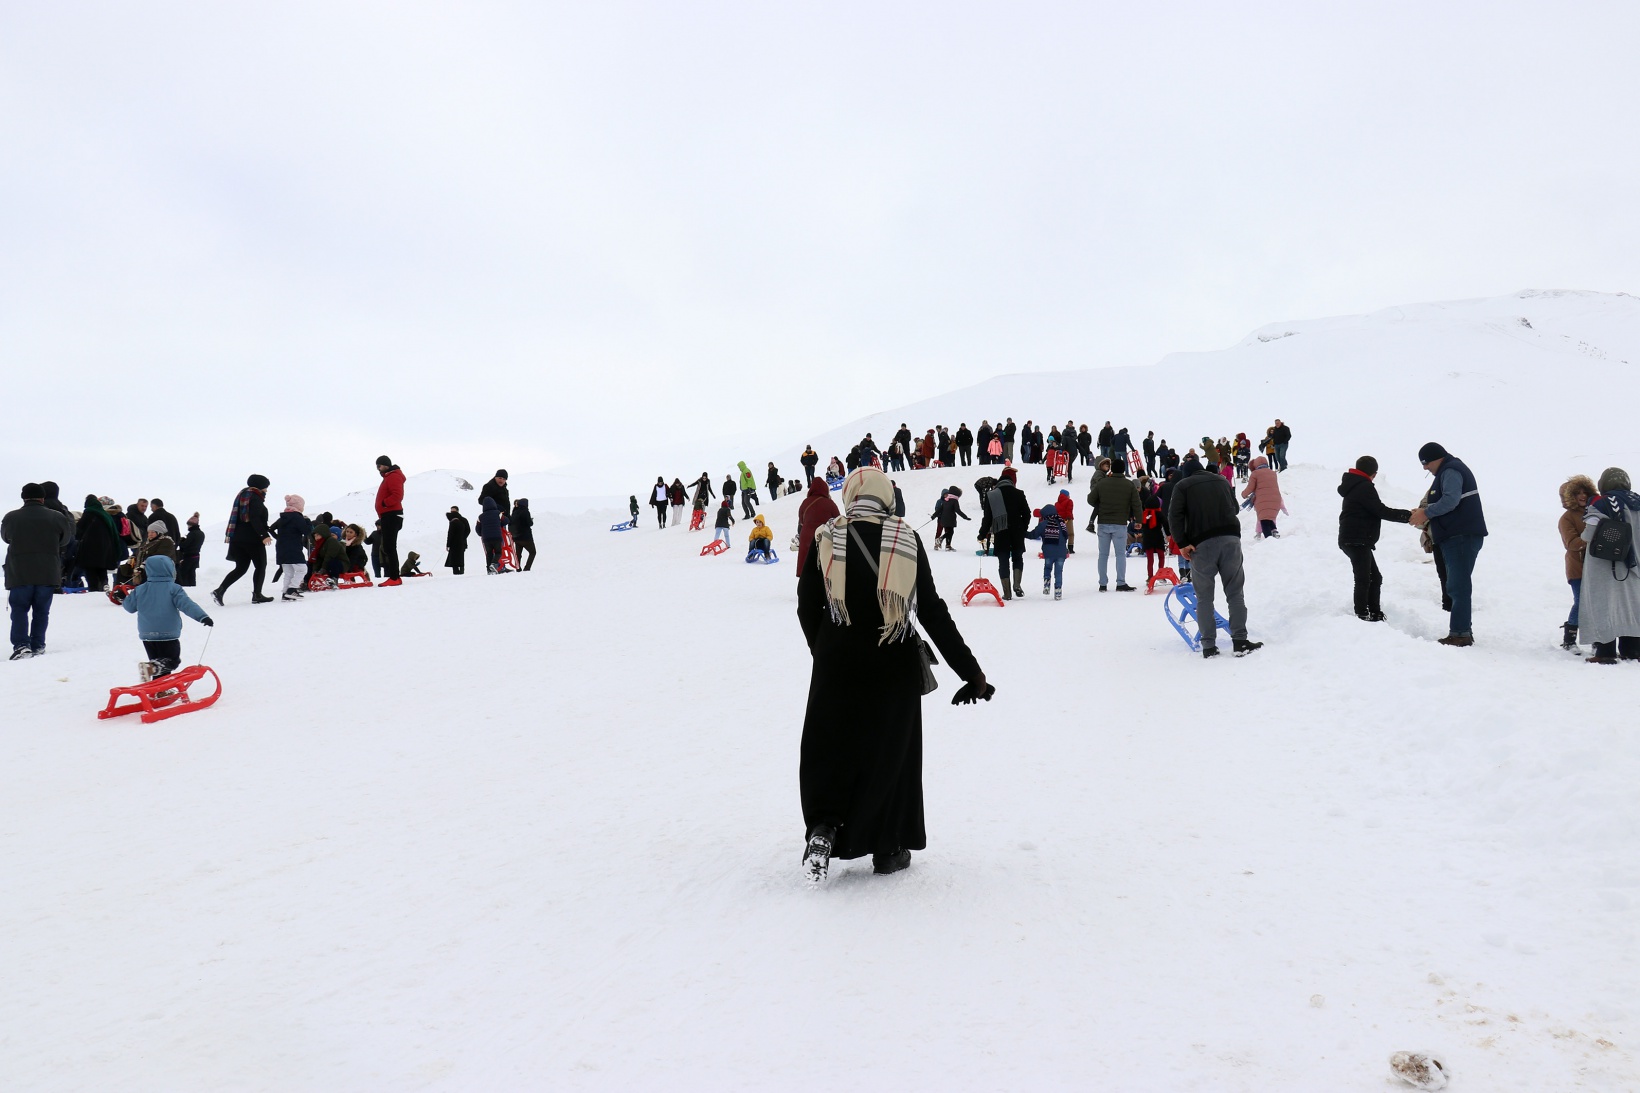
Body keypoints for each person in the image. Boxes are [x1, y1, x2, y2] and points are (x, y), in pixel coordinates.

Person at [797, 467, 990, 884]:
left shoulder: (826, 538)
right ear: (887, 497)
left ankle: (824, 829)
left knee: (830, 748)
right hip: (892, 663)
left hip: (836, 663)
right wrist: (970, 672)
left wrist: (827, 651)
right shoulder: (906, 539)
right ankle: (887, 848)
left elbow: (806, 606)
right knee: (889, 756)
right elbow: (932, 613)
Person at [1169, 461, 1261, 658]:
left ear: (1186, 473)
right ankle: (1240, 641)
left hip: (1202, 545)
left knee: (1204, 597)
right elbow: (1235, 508)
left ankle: (1209, 646)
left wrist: (1183, 543)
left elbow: (1174, 516)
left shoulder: (1182, 486)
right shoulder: (1221, 480)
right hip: (1230, 539)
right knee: (1235, 592)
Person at [1408, 443, 1486, 647]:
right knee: (1457, 585)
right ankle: (1462, 631)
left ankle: (1460, 634)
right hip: (1457, 535)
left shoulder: (1450, 470)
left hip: (1460, 535)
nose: (1425, 468)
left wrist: (1425, 513)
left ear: (1436, 458)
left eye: (1426, 463)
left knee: (1458, 586)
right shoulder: (1448, 471)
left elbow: (1451, 500)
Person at [4, 483, 75, 659]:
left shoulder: (11, 517)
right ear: (42, 498)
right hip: (47, 571)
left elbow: (6, 537)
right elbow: (65, 540)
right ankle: (38, 645)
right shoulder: (57, 517)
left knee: (19, 610)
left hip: (19, 572)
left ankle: (21, 645)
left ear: (23, 497)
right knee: (41, 611)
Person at [1337, 456, 1412, 622]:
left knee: (1373, 577)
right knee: (1365, 577)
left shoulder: (1354, 484)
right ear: (1374, 473)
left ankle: (1373, 612)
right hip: (1357, 538)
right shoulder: (1363, 486)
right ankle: (1363, 614)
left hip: (1354, 538)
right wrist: (1409, 516)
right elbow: (1380, 510)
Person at [1579, 467, 1640, 664]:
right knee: (1631, 607)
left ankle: (1605, 652)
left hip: (1606, 566)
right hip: (1634, 566)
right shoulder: (1637, 502)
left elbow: (1590, 533)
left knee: (1603, 606)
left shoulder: (1602, 502)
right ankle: (1632, 651)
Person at [115, 556, 211, 679]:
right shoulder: (173, 588)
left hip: (147, 634)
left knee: (158, 661)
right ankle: (152, 669)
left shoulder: (140, 589)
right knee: (172, 661)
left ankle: (159, 688)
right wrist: (202, 617)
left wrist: (125, 597)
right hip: (167, 633)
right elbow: (187, 605)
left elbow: (130, 608)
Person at [213, 474, 274, 606]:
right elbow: (254, 518)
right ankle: (257, 594)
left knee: (241, 568)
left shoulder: (243, 496)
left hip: (237, 538)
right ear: (260, 486)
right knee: (261, 566)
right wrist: (263, 535)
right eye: (265, 487)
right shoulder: (255, 498)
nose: (266, 490)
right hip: (252, 539)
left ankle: (220, 590)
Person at [1087, 459, 1140, 592]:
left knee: (1103, 555)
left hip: (1103, 523)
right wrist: (1139, 520)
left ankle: (1103, 584)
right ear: (1123, 470)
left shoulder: (1102, 483)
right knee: (1120, 554)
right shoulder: (1129, 485)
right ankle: (1121, 582)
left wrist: (1104, 504)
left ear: (1112, 469)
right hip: (1120, 524)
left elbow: (1090, 499)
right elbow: (1136, 504)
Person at [1558, 475, 1596, 651]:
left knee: (1597, 603)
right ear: (1569, 497)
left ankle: (1598, 640)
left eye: (1585, 492)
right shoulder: (1566, 518)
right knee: (1581, 602)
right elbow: (1571, 543)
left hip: (1597, 567)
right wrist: (1591, 538)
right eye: (1577, 493)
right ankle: (1570, 639)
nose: (1582, 496)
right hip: (1578, 568)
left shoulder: (1595, 511)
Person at [981, 467, 1032, 599]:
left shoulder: (992, 495)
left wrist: (982, 534)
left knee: (1003, 561)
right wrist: (1023, 527)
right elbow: (1027, 514)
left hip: (1001, 532)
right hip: (1017, 532)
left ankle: (1007, 593)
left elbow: (987, 518)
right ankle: (1017, 585)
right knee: (1017, 558)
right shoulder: (1019, 493)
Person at [269, 494, 312, 602]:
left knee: (288, 572)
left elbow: (270, 529)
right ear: (298, 506)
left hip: (281, 548)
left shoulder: (282, 518)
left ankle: (285, 593)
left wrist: (278, 538)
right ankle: (292, 589)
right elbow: (307, 531)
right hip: (294, 548)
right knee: (302, 569)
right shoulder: (297, 517)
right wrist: (308, 521)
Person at [73, 496, 121, 592]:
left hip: (89, 548)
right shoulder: (106, 515)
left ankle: (94, 589)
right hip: (105, 548)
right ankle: (104, 585)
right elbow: (114, 533)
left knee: (90, 570)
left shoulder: (88, 513)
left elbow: (79, 530)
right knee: (102, 569)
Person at [1024, 500, 1071, 599]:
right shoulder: (1062, 523)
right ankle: (1058, 591)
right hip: (1061, 553)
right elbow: (1066, 536)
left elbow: (1034, 534)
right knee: (1059, 572)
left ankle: (1047, 585)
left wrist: (1022, 533)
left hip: (1049, 552)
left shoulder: (1044, 524)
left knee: (1048, 568)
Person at [795, 476, 840, 576]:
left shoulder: (805, 502)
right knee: (823, 567)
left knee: (807, 567)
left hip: (806, 537)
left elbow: (801, 520)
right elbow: (838, 520)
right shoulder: (829, 503)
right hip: (824, 537)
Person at [374, 456, 406, 586]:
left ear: (386, 465)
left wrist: (384, 503)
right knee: (388, 546)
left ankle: (394, 577)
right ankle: (394, 576)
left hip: (392, 515)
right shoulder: (389, 476)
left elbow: (398, 495)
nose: (378, 469)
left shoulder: (393, 476)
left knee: (389, 546)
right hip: (388, 515)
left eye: (379, 466)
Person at [1241, 456, 1284, 537]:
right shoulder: (1272, 472)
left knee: (1264, 520)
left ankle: (1269, 538)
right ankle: (1274, 532)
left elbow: (1250, 488)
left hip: (1262, 500)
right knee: (1268, 517)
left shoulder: (1255, 473)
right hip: (1276, 499)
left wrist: (1243, 494)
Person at [1139, 478, 1167, 582]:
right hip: (1158, 537)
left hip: (1147, 538)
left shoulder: (1144, 514)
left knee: (1150, 559)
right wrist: (1169, 534)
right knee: (1161, 556)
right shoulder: (1159, 514)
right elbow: (1166, 524)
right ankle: (1161, 574)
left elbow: (1141, 525)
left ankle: (1150, 576)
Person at [933, 486, 969, 551]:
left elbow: (940, 509)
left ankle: (948, 545)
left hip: (943, 519)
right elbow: (958, 510)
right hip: (950, 519)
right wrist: (965, 517)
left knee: (949, 531)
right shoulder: (954, 501)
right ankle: (942, 539)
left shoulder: (946, 500)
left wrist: (934, 516)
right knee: (950, 532)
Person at [477, 496, 508, 573]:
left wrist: (481, 534)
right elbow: (506, 521)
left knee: (489, 553)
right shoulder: (498, 513)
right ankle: (493, 564)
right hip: (497, 536)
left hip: (486, 538)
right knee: (498, 552)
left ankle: (489, 570)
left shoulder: (480, 517)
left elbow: (478, 529)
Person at [177, 513, 204, 587]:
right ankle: (193, 589)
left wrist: (180, 541)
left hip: (188, 557)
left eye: (188, 525)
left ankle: (185, 588)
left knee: (183, 574)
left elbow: (185, 545)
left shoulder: (192, 533)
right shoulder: (201, 533)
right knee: (192, 574)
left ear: (191, 525)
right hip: (196, 556)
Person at [511, 499, 536, 571]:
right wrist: (531, 520)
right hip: (525, 537)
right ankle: (527, 568)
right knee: (532, 552)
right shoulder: (525, 511)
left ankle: (518, 568)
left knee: (518, 554)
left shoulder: (514, 512)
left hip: (516, 537)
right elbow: (529, 523)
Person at [446, 506, 471, 574]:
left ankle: (458, 572)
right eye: (452, 511)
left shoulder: (454, 520)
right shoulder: (462, 520)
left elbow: (450, 533)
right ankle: (459, 571)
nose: (452, 513)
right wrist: (463, 538)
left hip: (457, 542)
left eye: (454, 511)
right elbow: (468, 530)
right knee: (459, 557)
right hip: (460, 542)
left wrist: (448, 544)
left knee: (455, 558)